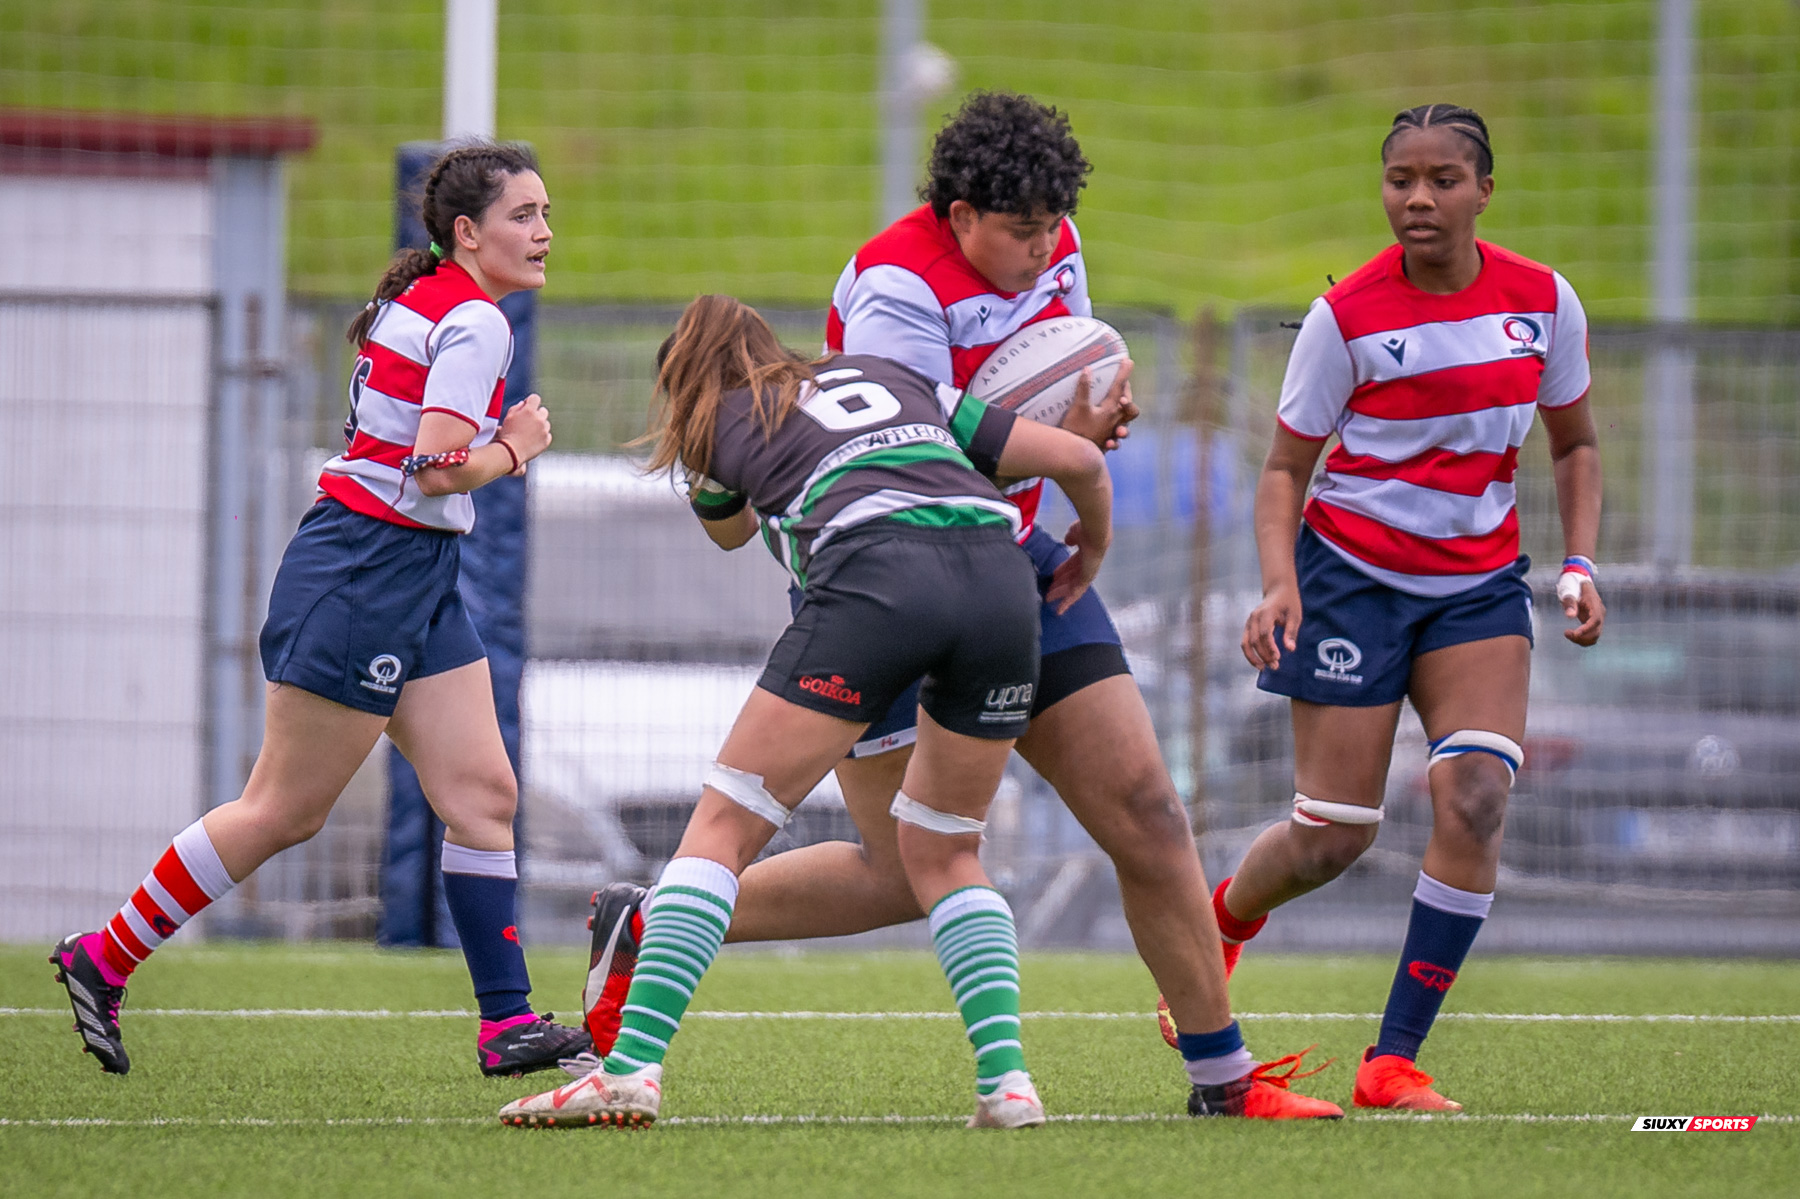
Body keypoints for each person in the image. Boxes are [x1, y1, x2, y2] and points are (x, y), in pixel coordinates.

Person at [580, 91, 1341, 1121]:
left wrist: (1085, 423)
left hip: (1014, 556)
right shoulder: (895, 284)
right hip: (887, 567)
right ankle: (654, 923)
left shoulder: (1052, 237)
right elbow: (941, 439)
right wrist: (1068, 455)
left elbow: (1037, 388)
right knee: (908, 867)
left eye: (1050, 231)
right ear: (958, 213)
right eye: (1019, 232)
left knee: (1151, 813)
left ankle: (1223, 1074)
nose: (1042, 252)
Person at [501, 294, 1114, 1129]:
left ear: (686, 377)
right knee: (945, 850)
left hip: (874, 582)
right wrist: (1093, 548)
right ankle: (1008, 1087)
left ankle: (629, 1067)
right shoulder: (900, 378)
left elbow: (727, 530)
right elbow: (1078, 456)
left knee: (721, 827)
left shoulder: (720, 417)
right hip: (1000, 582)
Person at [51, 141, 591, 1078]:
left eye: (546, 215)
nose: (543, 233)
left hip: (407, 571)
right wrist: (517, 445)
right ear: (467, 234)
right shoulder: (473, 321)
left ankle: (506, 1024)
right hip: (366, 569)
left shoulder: (433, 300)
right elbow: (434, 471)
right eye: (522, 216)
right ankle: (102, 956)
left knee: (482, 796)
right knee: (285, 808)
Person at [1221, 104, 1607, 1111]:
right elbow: (1281, 472)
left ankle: (1392, 1060)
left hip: (1478, 586)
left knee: (1477, 794)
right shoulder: (1345, 314)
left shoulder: (1543, 302)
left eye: (1442, 179)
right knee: (1333, 834)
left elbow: (1573, 443)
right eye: (1400, 180)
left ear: (1485, 189)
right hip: (1351, 577)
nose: (1418, 198)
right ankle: (1221, 918)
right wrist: (1280, 581)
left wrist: (1582, 559)